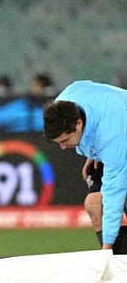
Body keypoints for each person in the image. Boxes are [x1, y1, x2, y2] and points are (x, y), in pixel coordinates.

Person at [43, 80, 127, 254]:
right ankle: (119, 267)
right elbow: (83, 86)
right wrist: (93, 153)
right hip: (113, 138)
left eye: (65, 140)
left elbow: (114, 193)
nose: (63, 147)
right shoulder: (63, 105)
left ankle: (116, 260)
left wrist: (108, 243)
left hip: (120, 138)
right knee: (94, 204)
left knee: (116, 202)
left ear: (79, 125)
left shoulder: (109, 136)